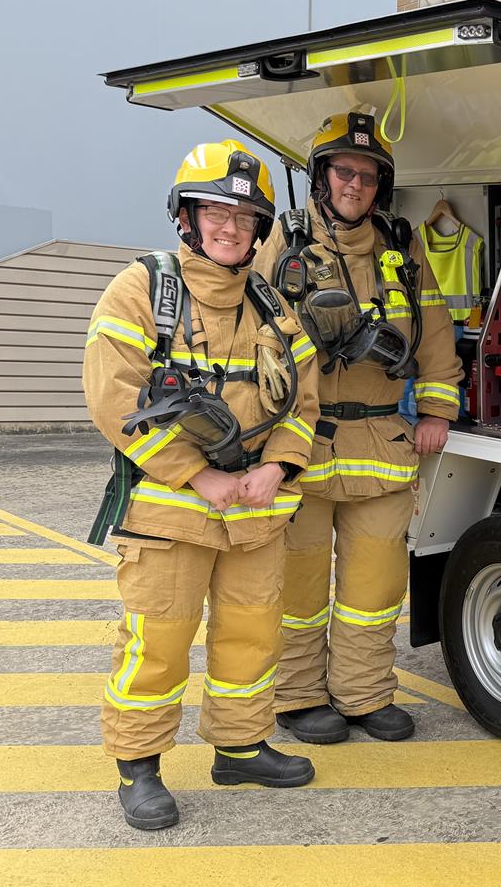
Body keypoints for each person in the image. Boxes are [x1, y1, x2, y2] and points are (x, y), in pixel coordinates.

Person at [83, 140, 322, 830]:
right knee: (157, 643)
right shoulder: (141, 290)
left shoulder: (272, 304)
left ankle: (240, 746)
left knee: (251, 636)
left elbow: (302, 401)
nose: (229, 227)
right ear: (185, 217)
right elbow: (113, 399)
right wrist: (199, 474)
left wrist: (279, 466)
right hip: (169, 513)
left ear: (259, 231)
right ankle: (139, 768)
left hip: (256, 512)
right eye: (214, 211)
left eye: (245, 217)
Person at [255, 111, 463, 744]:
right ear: (321, 177)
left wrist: (437, 409)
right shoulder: (283, 248)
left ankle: (364, 696)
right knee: (300, 590)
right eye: (344, 171)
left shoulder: (403, 249)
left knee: (373, 591)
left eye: (368, 176)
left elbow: (434, 330)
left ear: (381, 187)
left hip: (383, 444)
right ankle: (297, 698)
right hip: (303, 449)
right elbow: (252, 342)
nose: (355, 185)